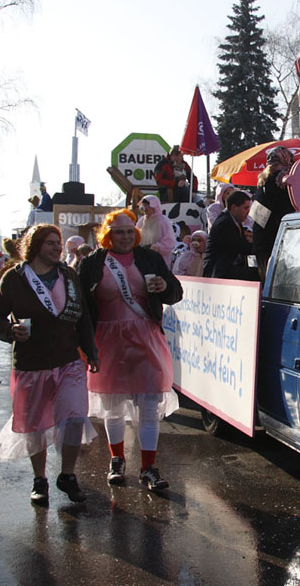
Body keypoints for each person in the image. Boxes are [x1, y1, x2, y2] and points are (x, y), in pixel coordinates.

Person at [0, 224, 100, 504]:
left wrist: (91, 351)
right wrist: (10, 330)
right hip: (31, 363)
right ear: (35, 246)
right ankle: (40, 479)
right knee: (35, 425)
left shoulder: (68, 275)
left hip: (68, 360)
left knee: (75, 416)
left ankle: (68, 475)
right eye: (50, 243)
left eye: (58, 243)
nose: (57, 248)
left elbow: (83, 316)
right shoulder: (15, 278)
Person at [78, 209, 183, 491]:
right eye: (118, 232)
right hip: (107, 341)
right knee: (113, 407)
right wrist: (84, 346)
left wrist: (165, 286)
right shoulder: (92, 263)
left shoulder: (149, 258)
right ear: (108, 235)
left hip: (145, 338)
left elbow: (176, 292)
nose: (124, 237)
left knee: (148, 407)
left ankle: (148, 468)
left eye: (128, 232)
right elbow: (81, 307)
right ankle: (117, 461)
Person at [252, 146, 297, 278]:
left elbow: (257, 217)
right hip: (280, 239)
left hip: (262, 240)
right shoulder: (284, 179)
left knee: (267, 279)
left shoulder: (262, 181)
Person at [203, 190, 257, 280]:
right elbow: (241, 246)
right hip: (218, 273)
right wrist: (261, 248)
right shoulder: (224, 223)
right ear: (233, 207)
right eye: (245, 208)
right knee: (258, 275)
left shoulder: (235, 221)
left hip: (230, 269)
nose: (248, 212)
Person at [136, 195, 177, 268]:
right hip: (143, 258)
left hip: (160, 259)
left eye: (147, 205)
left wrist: (157, 246)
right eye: (144, 205)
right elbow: (136, 236)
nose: (145, 208)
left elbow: (170, 242)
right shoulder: (141, 221)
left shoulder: (163, 221)